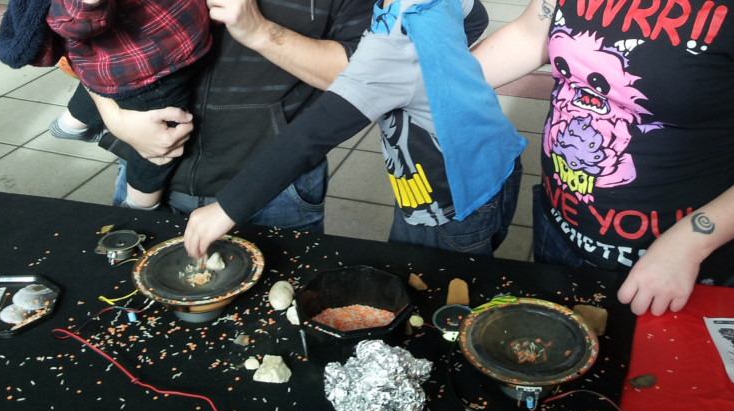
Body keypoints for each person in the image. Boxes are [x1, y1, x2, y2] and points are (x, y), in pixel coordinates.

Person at [470, 0, 734, 316]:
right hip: (559, 229)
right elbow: (530, 34)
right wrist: (438, 86)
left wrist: (691, 243)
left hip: (671, 263)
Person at [182, 0, 526, 259]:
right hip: (491, 163)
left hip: (454, 198)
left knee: (432, 285)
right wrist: (440, 73)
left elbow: (310, 137)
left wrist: (226, 208)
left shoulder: (389, 52)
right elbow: (475, 16)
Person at [87, 0, 376, 232]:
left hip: (277, 185)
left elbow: (366, 74)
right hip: (143, 164)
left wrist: (260, 31)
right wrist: (114, 118)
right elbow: (82, 36)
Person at [43, 0, 213, 210]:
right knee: (163, 137)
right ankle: (138, 205)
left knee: (110, 85)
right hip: (150, 61)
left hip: (135, 54)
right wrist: (115, 120)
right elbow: (74, 20)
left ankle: (71, 123)